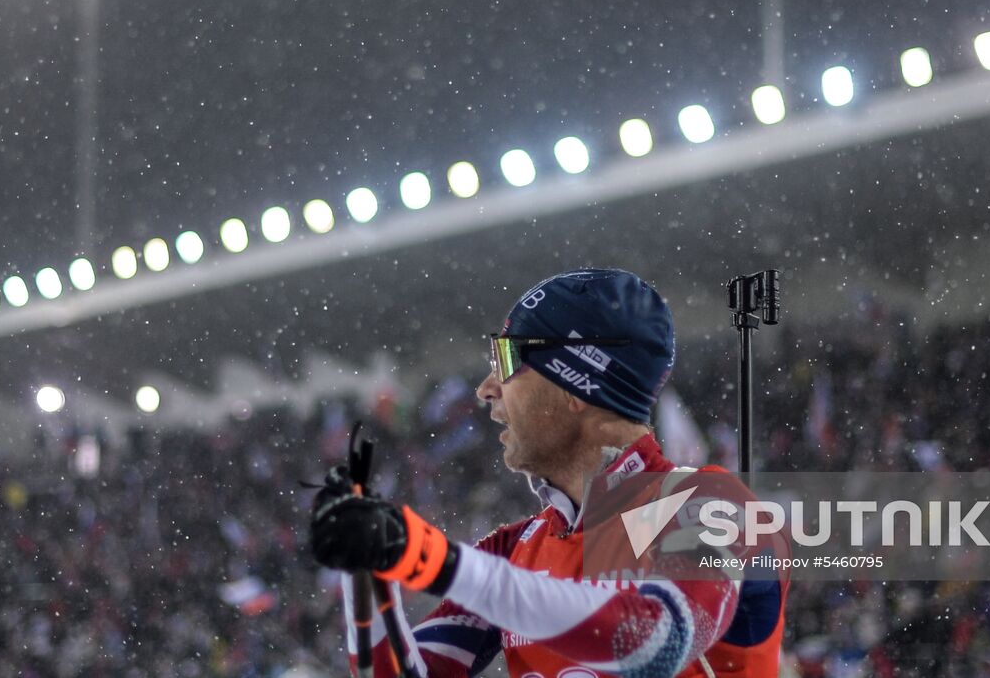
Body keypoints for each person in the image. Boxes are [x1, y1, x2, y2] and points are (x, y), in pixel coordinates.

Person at [311, 268, 788, 677]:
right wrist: (365, 567)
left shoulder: (714, 505)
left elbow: (653, 643)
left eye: (506, 359)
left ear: (576, 386)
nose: (486, 389)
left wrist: (428, 558)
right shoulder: (515, 548)